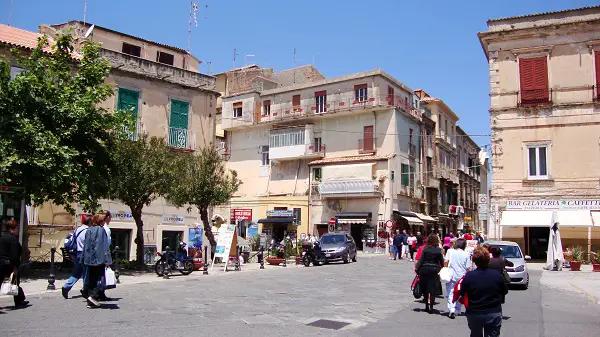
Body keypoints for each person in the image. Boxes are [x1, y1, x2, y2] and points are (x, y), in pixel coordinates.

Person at [461, 247, 508, 337]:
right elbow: (504, 291)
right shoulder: (496, 275)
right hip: (493, 311)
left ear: (474, 261)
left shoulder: (469, 276)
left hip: (474, 312)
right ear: (488, 259)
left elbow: (463, 293)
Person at [82, 214, 113, 309]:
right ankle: (93, 296)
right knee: (99, 279)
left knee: (91, 279)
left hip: (89, 259)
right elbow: (103, 246)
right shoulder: (101, 230)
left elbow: (86, 245)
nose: (104, 221)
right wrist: (107, 259)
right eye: (103, 220)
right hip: (99, 259)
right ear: (100, 221)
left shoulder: (89, 230)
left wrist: (83, 258)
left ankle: (90, 300)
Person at [0, 220, 28, 308]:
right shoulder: (13, 240)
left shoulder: (2, 238)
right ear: (11, 229)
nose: (18, 231)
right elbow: (15, 255)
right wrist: (15, 267)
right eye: (17, 229)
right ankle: (19, 300)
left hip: (0, 263)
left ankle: (20, 299)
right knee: (15, 281)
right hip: (9, 264)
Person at [62, 215, 90, 299]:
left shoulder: (78, 229)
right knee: (86, 273)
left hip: (77, 253)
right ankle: (85, 290)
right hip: (84, 254)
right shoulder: (87, 231)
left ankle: (66, 286)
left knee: (76, 272)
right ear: (89, 222)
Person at [415, 233, 444, 314]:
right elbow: (441, 261)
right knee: (433, 288)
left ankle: (426, 306)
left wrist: (417, 269)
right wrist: (443, 267)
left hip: (424, 269)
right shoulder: (438, 250)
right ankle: (431, 306)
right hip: (434, 269)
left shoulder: (425, 249)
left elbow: (421, 260)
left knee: (425, 287)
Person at [445, 238, 471, 319]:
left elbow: (446, 262)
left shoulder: (450, 251)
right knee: (459, 293)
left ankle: (451, 309)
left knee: (450, 292)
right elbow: (468, 268)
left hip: (451, 275)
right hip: (462, 276)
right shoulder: (466, 254)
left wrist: (445, 269)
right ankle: (457, 309)